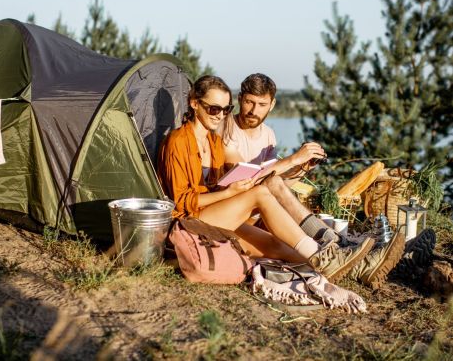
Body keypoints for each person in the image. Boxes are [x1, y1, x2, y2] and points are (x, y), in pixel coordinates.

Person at [157, 75, 373, 281]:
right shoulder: (178, 142)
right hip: (187, 222)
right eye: (214, 109)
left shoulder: (212, 141)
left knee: (277, 246)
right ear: (195, 103)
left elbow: (215, 188)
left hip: (214, 215)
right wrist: (229, 193)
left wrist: (233, 190)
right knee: (260, 193)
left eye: (226, 109)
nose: (220, 115)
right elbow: (181, 201)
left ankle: (354, 267)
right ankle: (325, 253)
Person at [220, 73, 406, 290]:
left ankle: (341, 248)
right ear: (240, 98)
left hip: (261, 211)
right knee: (297, 248)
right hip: (235, 214)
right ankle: (346, 254)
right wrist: (293, 159)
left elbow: (277, 187)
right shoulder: (225, 129)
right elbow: (250, 183)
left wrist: (300, 170)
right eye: (249, 102)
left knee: (276, 186)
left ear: (272, 105)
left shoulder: (267, 134)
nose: (253, 110)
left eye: (261, 104)